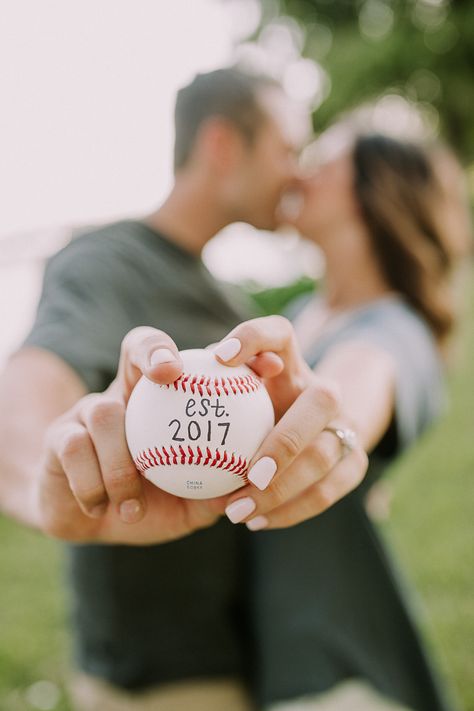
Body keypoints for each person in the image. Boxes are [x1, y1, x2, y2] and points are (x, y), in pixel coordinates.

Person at [0, 67, 368, 711]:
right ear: (224, 145)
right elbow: (29, 388)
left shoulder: (230, 302)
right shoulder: (104, 262)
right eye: (287, 148)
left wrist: (332, 447)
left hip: (252, 649)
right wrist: (42, 482)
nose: (297, 173)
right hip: (163, 673)